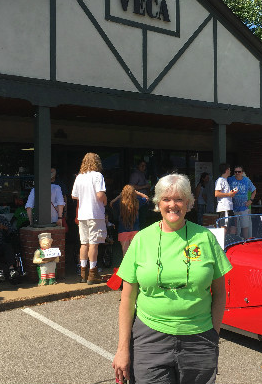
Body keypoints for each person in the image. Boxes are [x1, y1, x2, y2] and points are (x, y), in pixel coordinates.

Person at [112, 173, 232, 384]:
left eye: (179, 199)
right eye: (166, 199)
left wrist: (214, 332)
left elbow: (220, 292)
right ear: (158, 203)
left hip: (199, 337)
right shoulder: (141, 239)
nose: (173, 205)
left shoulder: (205, 238)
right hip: (150, 337)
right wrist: (122, 349)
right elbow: (127, 299)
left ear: (188, 203)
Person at [71, 153, 108, 284]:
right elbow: (99, 195)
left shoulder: (79, 177)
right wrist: (105, 200)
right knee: (94, 244)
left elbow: (74, 196)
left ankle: (83, 273)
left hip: (82, 214)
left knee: (84, 243)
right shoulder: (98, 176)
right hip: (95, 213)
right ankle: (93, 273)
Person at [110, 185, 149, 256]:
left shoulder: (120, 202)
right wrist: (137, 193)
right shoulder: (137, 202)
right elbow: (146, 198)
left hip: (123, 230)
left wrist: (119, 196)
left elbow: (111, 203)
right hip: (135, 230)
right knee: (135, 252)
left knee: (125, 253)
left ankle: (127, 266)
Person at [227, 166, 256, 237]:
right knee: (235, 227)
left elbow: (254, 190)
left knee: (245, 226)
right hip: (233, 207)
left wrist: (250, 200)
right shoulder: (230, 179)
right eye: (235, 172)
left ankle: (245, 241)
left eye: (239, 172)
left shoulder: (246, 180)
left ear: (242, 172)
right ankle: (236, 240)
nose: (237, 173)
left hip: (244, 207)